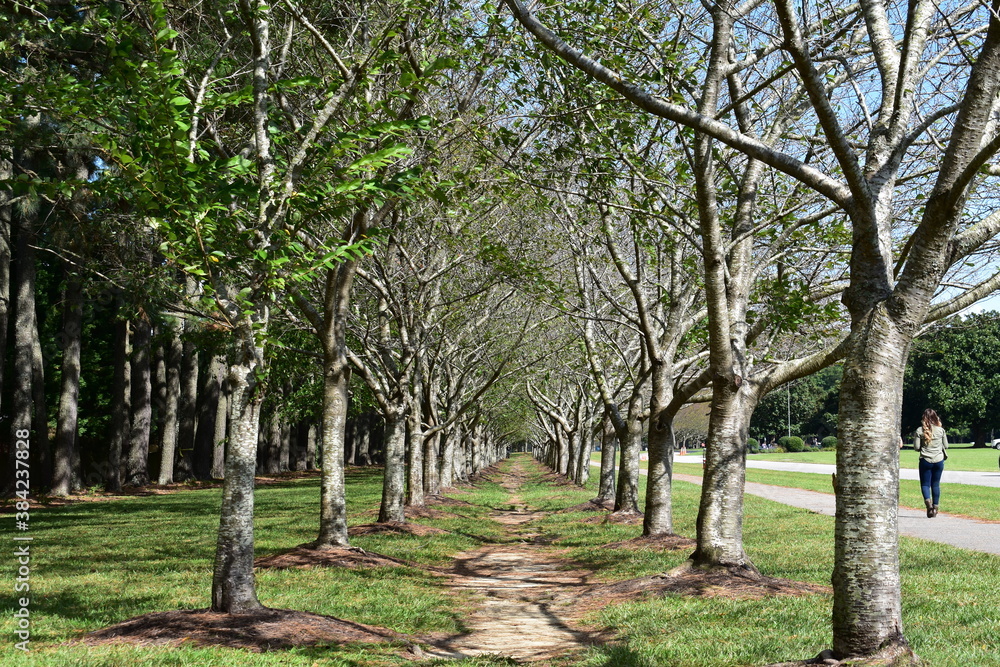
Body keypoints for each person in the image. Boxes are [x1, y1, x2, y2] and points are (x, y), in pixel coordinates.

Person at [914, 408, 948, 518]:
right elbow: (946, 446)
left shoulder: (920, 430)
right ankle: (935, 508)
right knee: (935, 484)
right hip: (939, 460)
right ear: (936, 417)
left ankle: (928, 504)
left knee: (925, 484)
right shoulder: (941, 430)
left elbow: (916, 447)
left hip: (925, 460)